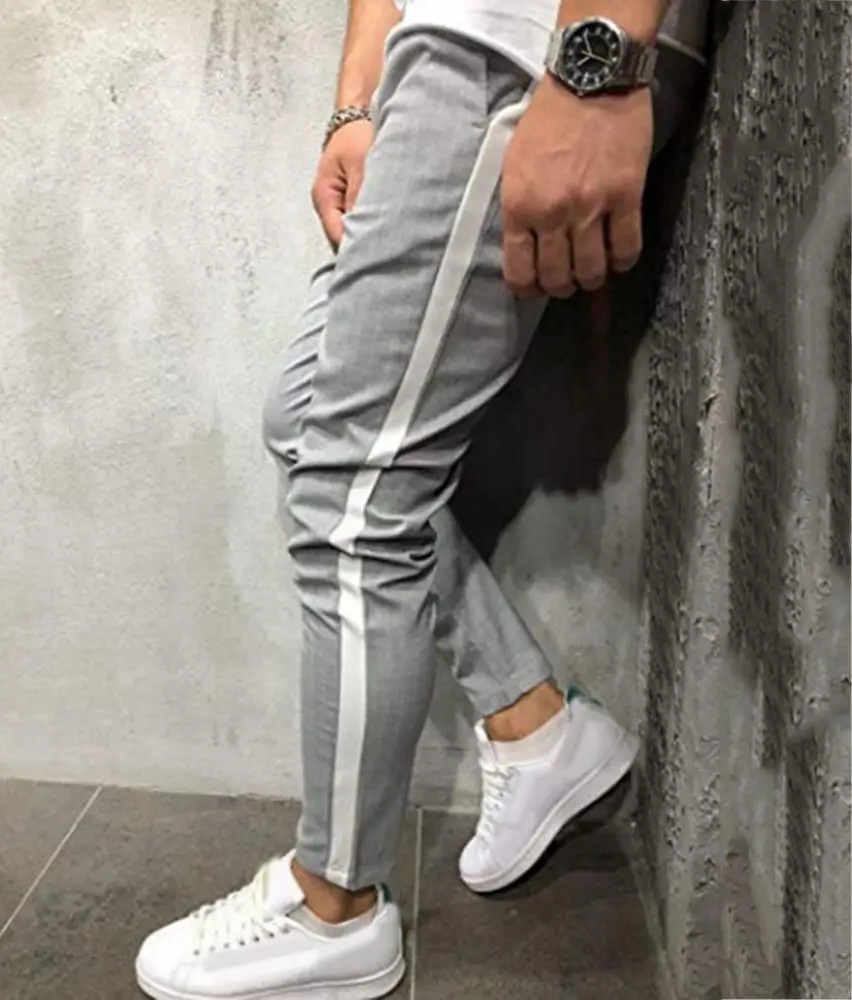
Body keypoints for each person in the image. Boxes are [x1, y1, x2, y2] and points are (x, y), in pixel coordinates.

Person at [137, 0, 707, 996]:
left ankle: (334, 907)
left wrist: (598, 60)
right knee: (310, 425)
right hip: (451, 53)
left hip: (516, 45)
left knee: (353, 500)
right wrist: (356, 104)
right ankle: (533, 721)